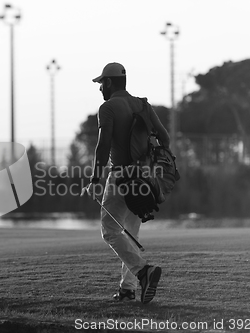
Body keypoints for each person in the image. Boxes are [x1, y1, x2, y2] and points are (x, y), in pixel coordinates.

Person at [84, 62, 170, 304]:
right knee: (130, 232)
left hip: (121, 176)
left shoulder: (108, 107)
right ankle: (127, 289)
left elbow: (103, 146)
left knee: (110, 230)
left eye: (101, 83)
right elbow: (165, 138)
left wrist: (95, 179)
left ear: (109, 83)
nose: (100, 88)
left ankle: (144, 272)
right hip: (145, 177)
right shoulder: (143, 104)